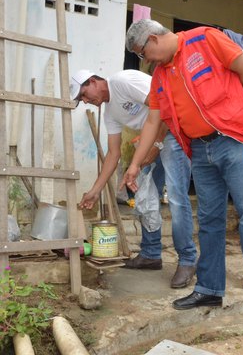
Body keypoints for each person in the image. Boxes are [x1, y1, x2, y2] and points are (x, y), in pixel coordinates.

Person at [121, 19, 243, 324]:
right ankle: (209, 288)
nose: (147, 60)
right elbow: (154, 122)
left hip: (234, 142)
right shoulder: (160, 76)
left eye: (144, 53)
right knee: (208, 221)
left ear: (154, 39)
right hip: (200, 150)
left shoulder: (205, 39)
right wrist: (134, 164)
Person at [71, 69, 198, 288]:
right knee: (145, 197)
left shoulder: (123, 81)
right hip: (152, 139)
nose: (85, 101)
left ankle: (187, 260)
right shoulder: (110, 112)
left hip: (173, 132)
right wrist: (95, 190)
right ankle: (151, 254)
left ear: (92, 81)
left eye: (83, 95)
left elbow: (166, 106)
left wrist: (155, 147)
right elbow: (113, 154)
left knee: (176, 199)